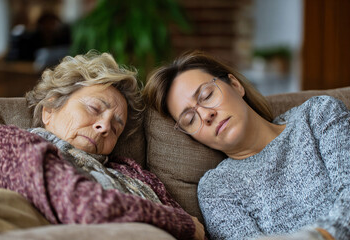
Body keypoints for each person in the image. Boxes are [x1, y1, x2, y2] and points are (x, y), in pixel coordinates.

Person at [0, 51, 204, 240]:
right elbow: (84, 207)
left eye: (115, 128)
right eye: (94, 108)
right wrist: (179, 223)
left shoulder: (132, 172)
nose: (104, 126)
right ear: (50, 109)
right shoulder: (10, 143)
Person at [143, 50, 350, 240]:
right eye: (190, 119)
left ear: (235, 85)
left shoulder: (317, 115)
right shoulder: (216, 189)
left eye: (207, 95)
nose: (206, 115)